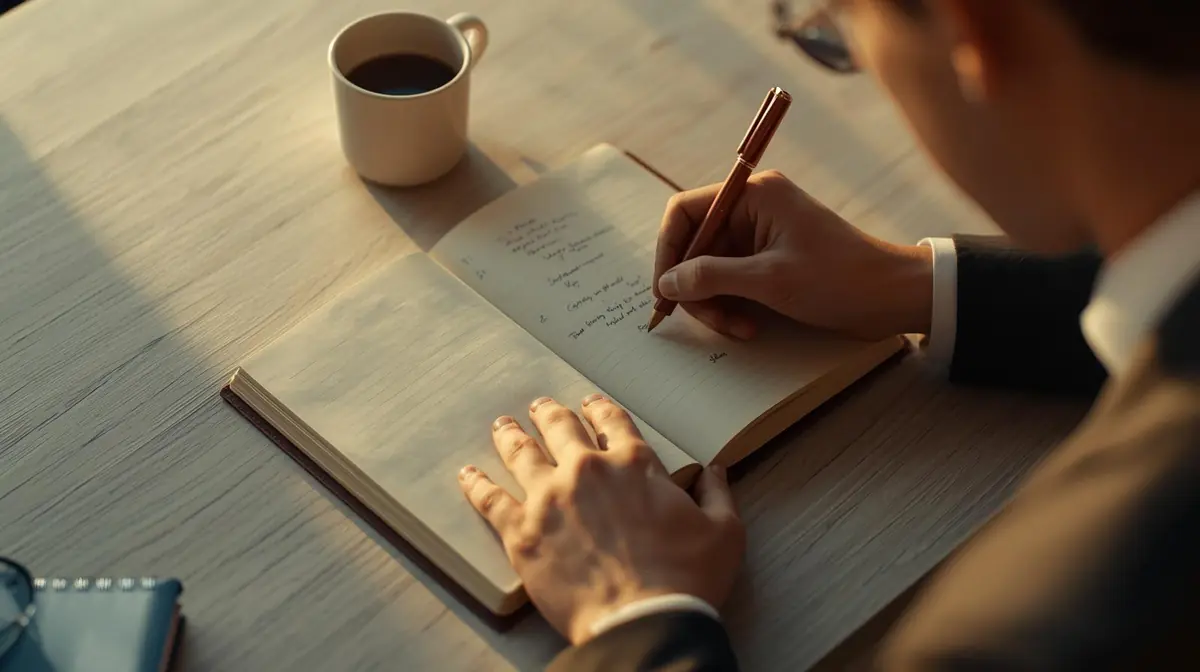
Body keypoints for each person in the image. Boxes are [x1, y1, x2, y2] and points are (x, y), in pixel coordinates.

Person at [456, 0, 1200, 668]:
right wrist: (914, 285)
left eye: (838, 31)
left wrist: (637, 618)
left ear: (973, 28)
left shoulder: (1024, 633)